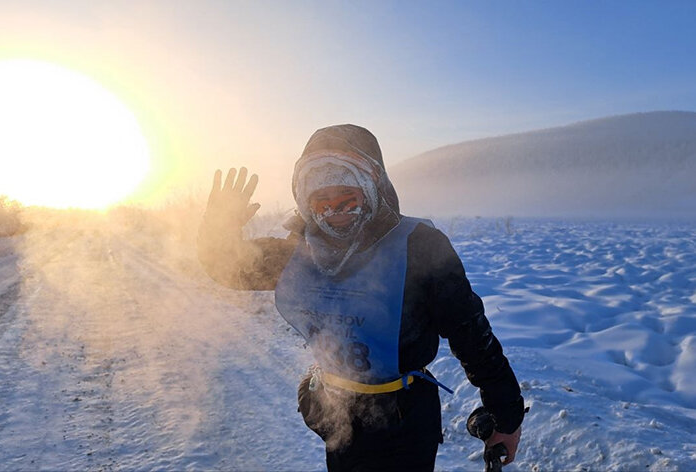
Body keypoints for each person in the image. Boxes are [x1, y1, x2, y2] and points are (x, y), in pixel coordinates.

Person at [197, 124, 524, 471]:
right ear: (305, 203)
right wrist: (217, 229)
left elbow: (471, 334)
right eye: (321, 201)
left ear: (373, 188)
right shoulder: (299, 254)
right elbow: (229, 268)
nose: (334, 209)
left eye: (346, 197)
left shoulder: (419, 247)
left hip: (406, 418)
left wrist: (505, 414)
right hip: (334, 412)